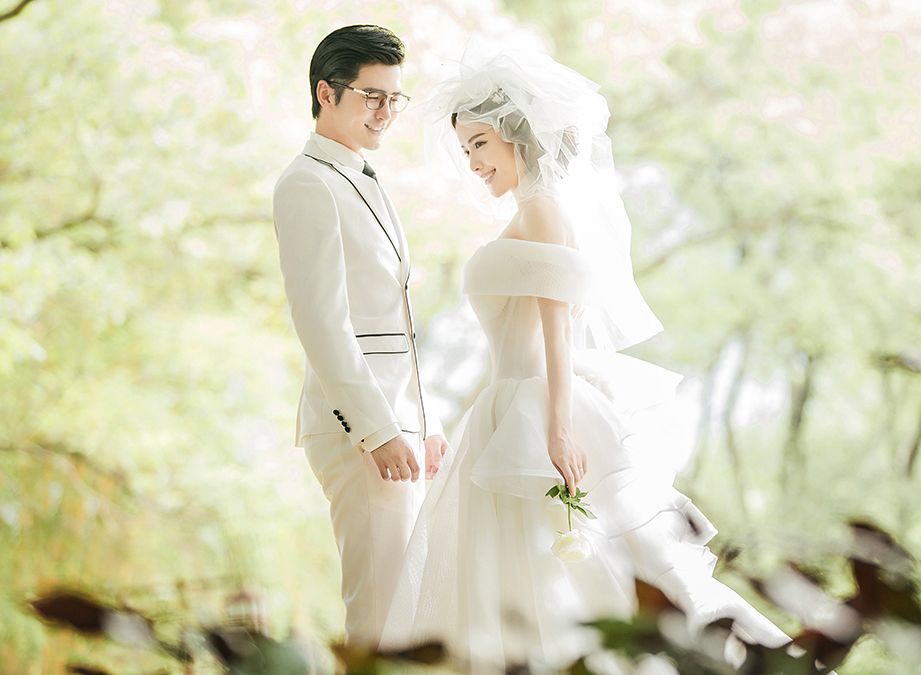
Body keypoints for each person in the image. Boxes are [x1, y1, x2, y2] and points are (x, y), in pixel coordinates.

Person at [379, 47, 789, 670]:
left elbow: (558, 331)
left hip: (536, 405)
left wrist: (560, 427)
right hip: (505, 408)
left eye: (480, 143)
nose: (474, 162)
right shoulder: (530, 213)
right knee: (522, 573)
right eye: (465, 150)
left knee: (570, 568)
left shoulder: (543, 212)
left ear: (518, 135)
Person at [271, 25, 449, 647]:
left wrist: (425, 422)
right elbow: (322, 322)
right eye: (373, 97)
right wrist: (377, 429)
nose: (386, 112)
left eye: (394, 98)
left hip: (398, 423)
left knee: (409, 605)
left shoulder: (360, 175)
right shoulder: (307, 183)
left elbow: (394, 325)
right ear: (327, 93)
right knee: (379, 612)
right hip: (360, 431)